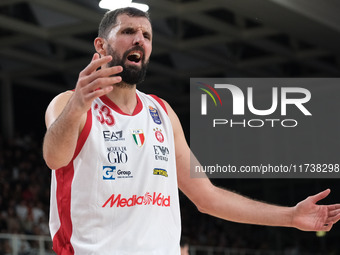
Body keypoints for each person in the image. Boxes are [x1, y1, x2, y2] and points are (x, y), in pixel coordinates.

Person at [42, 7, 340, 255]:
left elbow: (207, 196)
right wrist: (79, 104)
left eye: (146, 35)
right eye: (127, 32)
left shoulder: (161, 112)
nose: (139, 40)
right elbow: (54, 158)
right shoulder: (69, 103)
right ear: (100, 45)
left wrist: (290, 216)